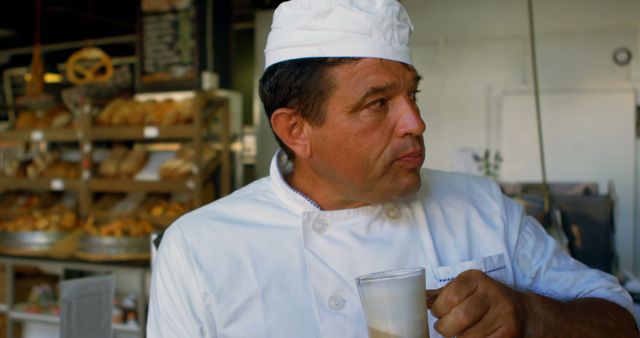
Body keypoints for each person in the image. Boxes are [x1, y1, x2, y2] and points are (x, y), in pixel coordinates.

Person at [147, 0, 639, 337]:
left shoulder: (480, 205)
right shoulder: (201, 247)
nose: (416, 122)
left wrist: (529, 315)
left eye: (412, 94)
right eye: (377, 103)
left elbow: (622, 320)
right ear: (296, 129)